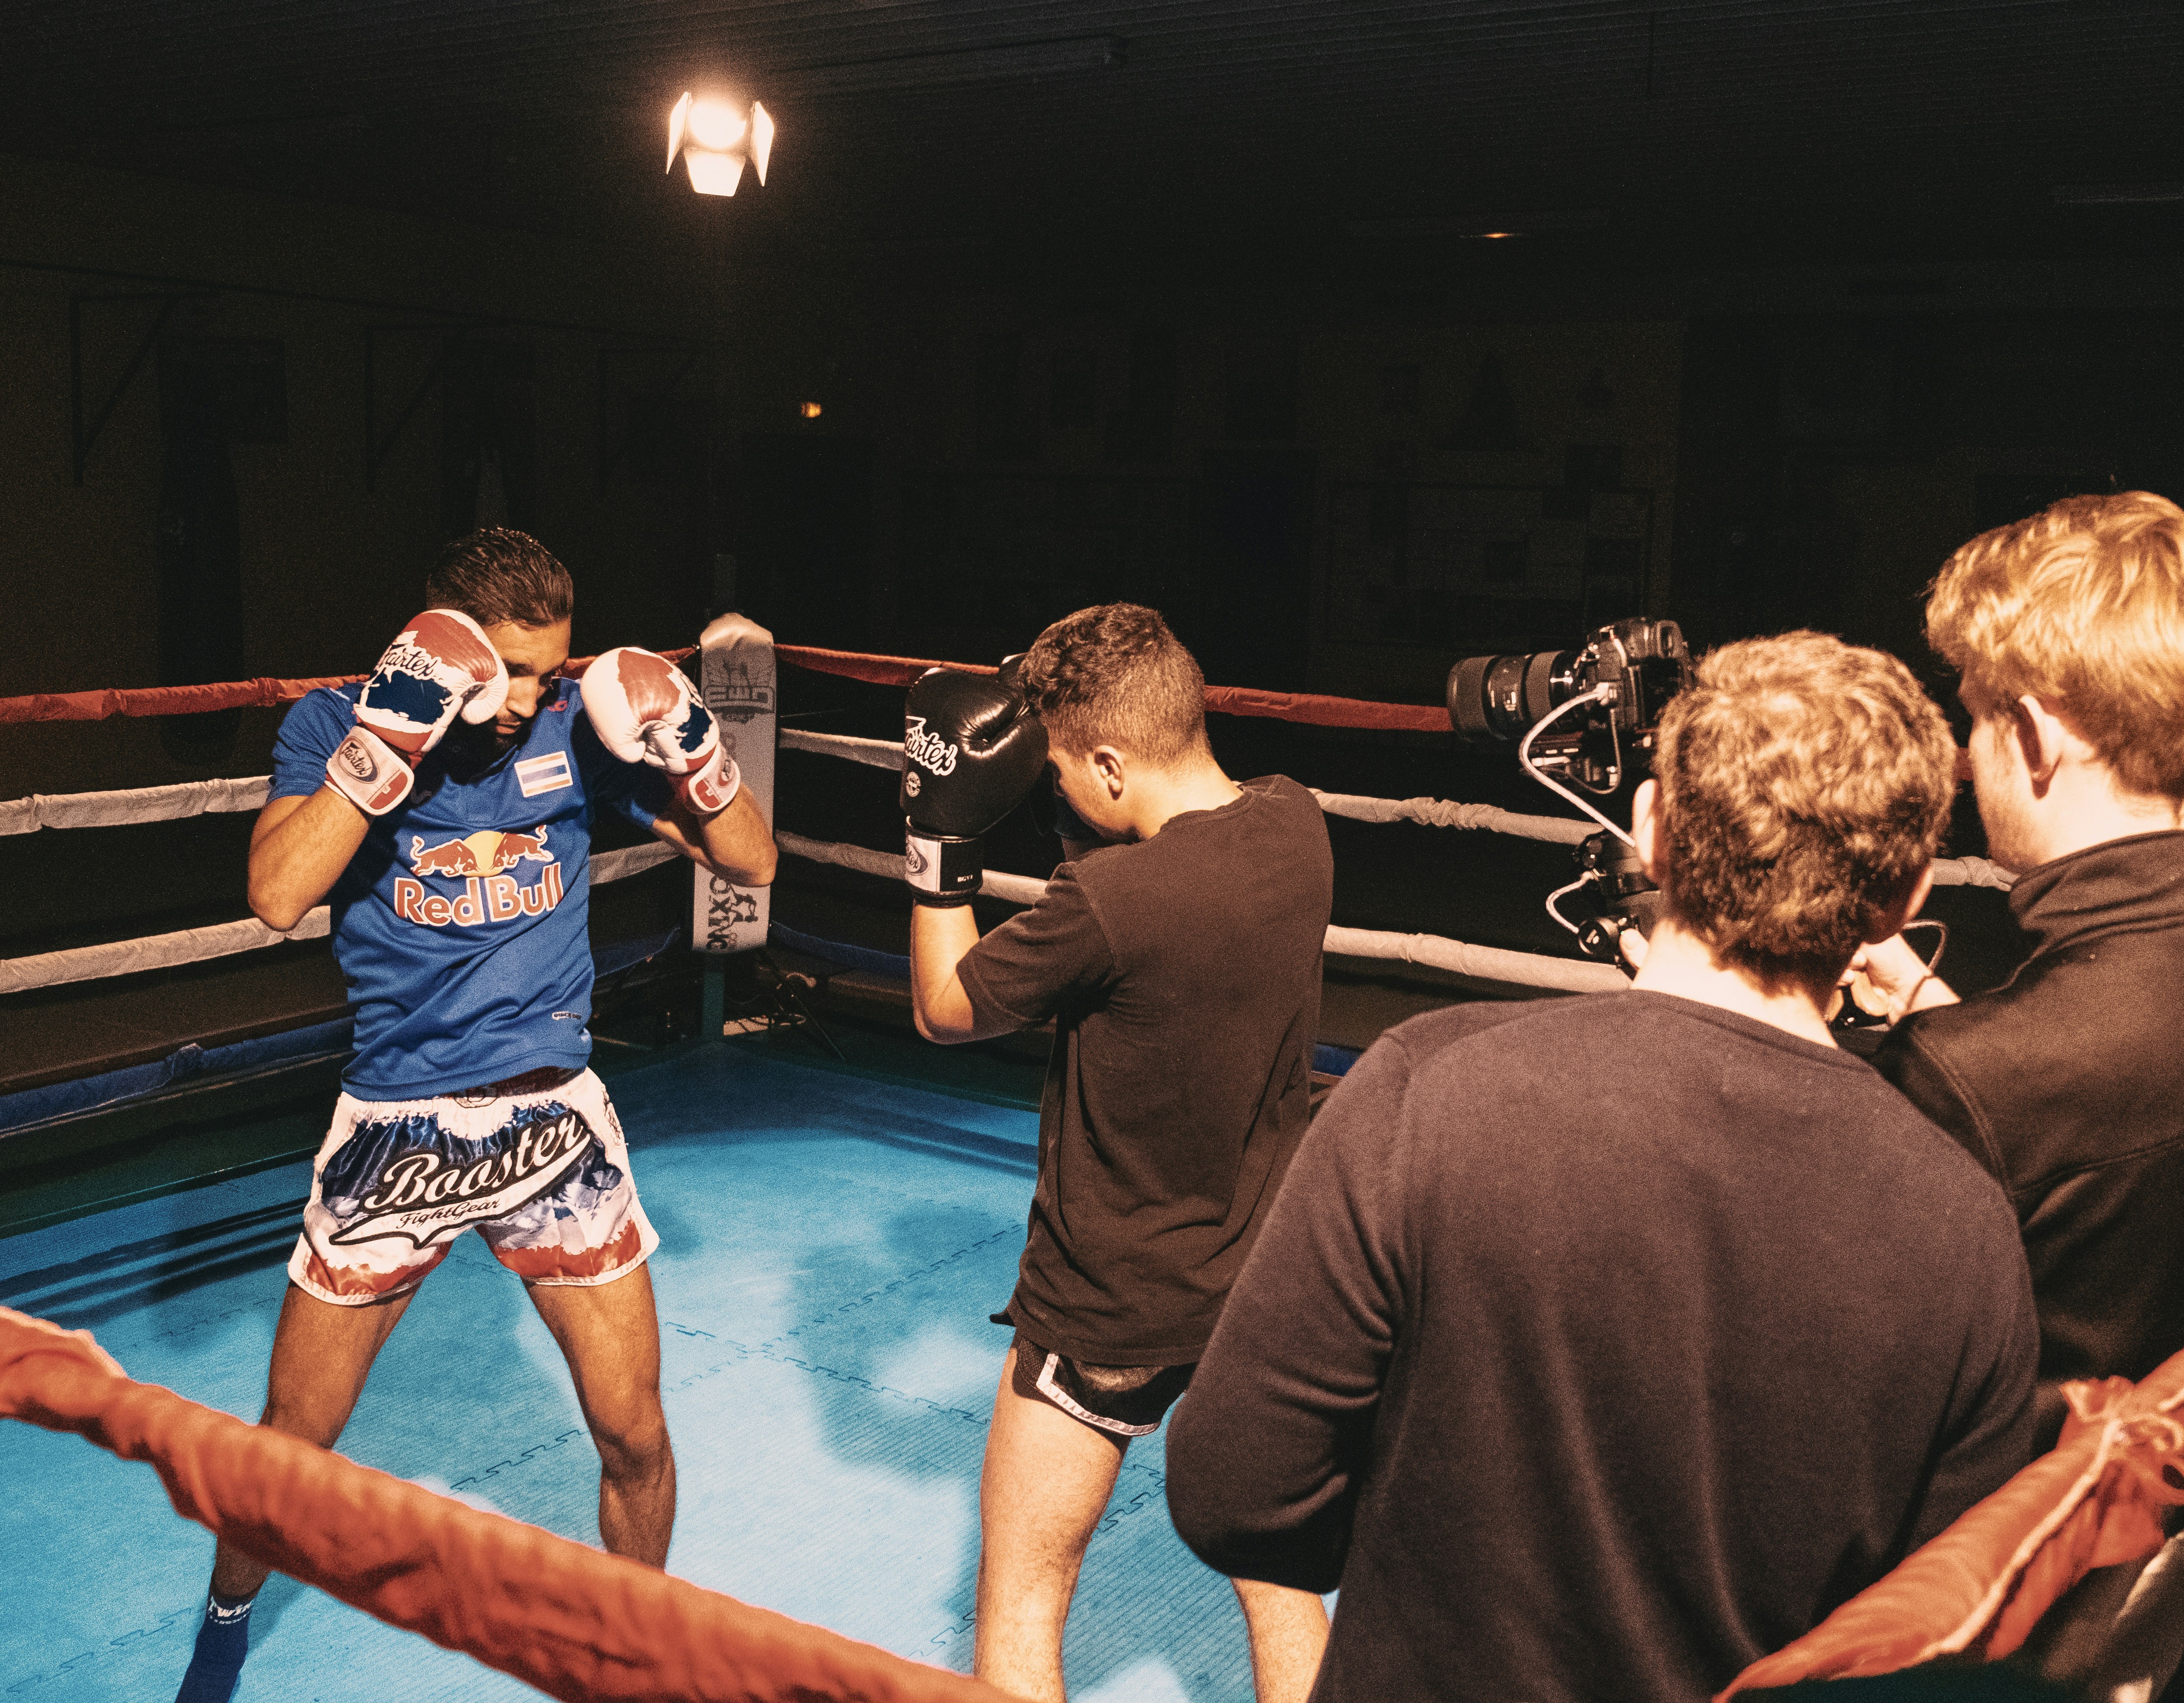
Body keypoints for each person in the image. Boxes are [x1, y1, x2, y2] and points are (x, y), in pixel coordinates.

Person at [1165, 632, 2039, 1703]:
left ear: (1651, 833)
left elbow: (1233, 1493)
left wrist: (1431, 1559)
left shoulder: (1429, 1090)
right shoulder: (1962, 1221)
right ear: (1903, 901)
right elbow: (1944, 1645)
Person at [172, 527, 776, 1703]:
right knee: (292, 1441)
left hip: (556, 1124)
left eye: (550, 671)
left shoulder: (575, 733)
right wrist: (377, 749)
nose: (528, 699)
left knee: (635, 1430)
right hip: (397, 1130)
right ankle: (224, 1620)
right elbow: (276, 896)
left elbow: (749, 861)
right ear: (440, 645)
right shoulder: (333, 720)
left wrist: (696, 749)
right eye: (507, 671)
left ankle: (639, 1649)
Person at [1849, 492, 2184, 1701]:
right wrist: (1946, 1023)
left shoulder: (1975, 1088)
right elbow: (2137, 1097)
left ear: (2034, 734)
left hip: (1970, 1641)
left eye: (1973, 715)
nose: (1968, 752)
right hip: (2154, 1597)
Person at [902, 603, 1335, 1703]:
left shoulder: (1107, 901)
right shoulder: (1300, 826)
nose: (1051, 791)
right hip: (1259, 1287)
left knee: (1023, 1597)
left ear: (1106, 761)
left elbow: (946, 1007)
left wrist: (940, 832)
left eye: (1058, 772)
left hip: (1107, 1303)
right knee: (1281, 1581)